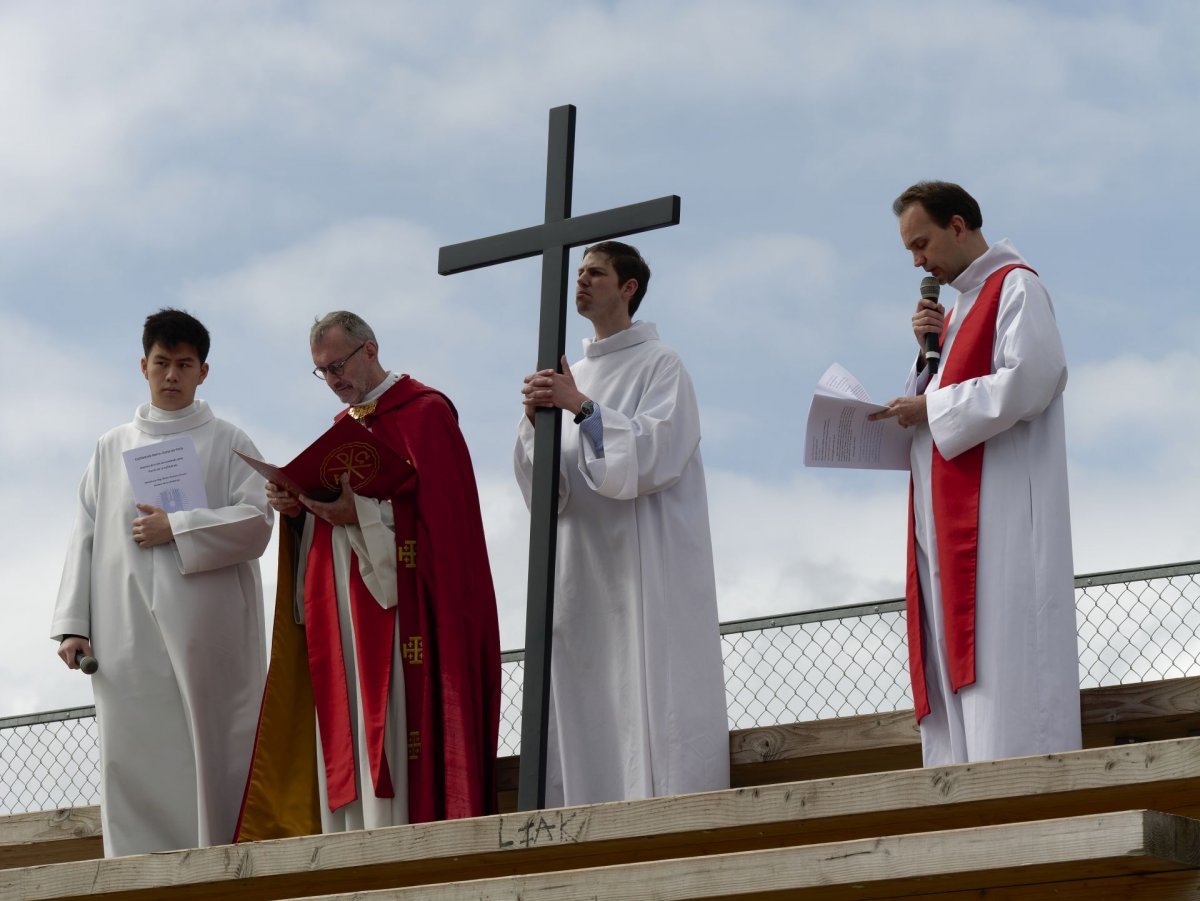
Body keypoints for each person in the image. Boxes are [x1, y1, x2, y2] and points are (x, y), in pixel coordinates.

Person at [237, 311, 500, 839]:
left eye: (337, 366)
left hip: (403, 613)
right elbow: (328, 521)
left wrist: (362, 515)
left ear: (370, 350)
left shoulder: (426, 414)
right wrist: (296, 507)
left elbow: (445, 528)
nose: (333, 380)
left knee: (393, 731)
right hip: (345, 617)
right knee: (350, 726)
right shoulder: (342, 431)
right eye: (322, 372)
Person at [869, 181, 1081, 766]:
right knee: (958, 657)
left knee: (1005, 655)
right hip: (948, 521)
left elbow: (1034, 375)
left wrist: (931, 408)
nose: (917, 261)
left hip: (1002, 517)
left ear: (958, 225)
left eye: (922, 242)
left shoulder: (1015, 286)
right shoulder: (958, 309)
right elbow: (945, 394)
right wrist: (923, 364)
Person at [50, 309, 273, 857]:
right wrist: (72, 626)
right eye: (161, 363)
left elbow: (258, 522)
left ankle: (221, 860)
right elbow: (85, 535)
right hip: (125, 631)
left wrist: (178, 526)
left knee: (211, 747)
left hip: (207, 630)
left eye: (184, 364)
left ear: (203, 372)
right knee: (134, 750)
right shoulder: (111, 447)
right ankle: (137, 869)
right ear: (142, 366)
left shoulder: (228, 441)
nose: (171, 375)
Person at [516, 240, 729, 806]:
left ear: (629, 287)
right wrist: (534, 421)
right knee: (584, 692)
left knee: (646, 689)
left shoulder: (661, 364)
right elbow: (548, 489)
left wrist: (581, 408)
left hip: (641, 561)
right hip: (579, 564)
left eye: (596, 273)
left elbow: (655, 452)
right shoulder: (573, 373)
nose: (581, 282)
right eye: (579, 273)